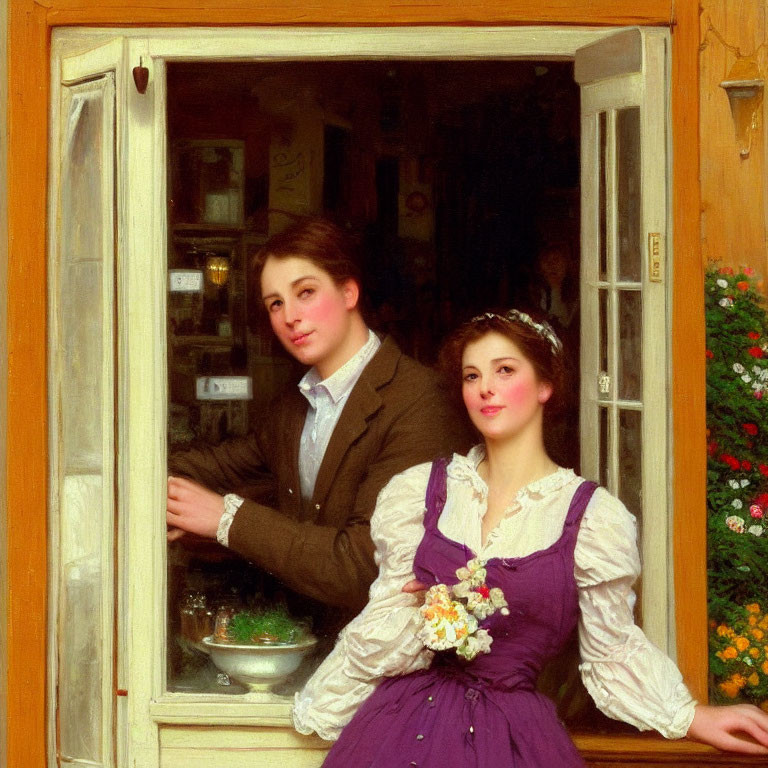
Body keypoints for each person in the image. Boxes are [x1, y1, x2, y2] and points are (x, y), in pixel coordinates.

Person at [291, 309, 768, 765]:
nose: (485, 389)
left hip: (514, 737)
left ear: (545, 385)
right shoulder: (421, 493)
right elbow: (383, 622)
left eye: (504, 370)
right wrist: (331, 698)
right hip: (403, 729)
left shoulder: (591, 518)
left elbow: (612, 650)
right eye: (472, 376)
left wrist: (689, 716)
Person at [166, 217, 472, 633]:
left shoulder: (420, 402)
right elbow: (214, 467)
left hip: (387, 659)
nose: (290, 316)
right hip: (310, 643)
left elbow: (362, 567)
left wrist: (227, 518)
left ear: (349, 292)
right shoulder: (294, 406)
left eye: (305, 292)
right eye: (275, 303)